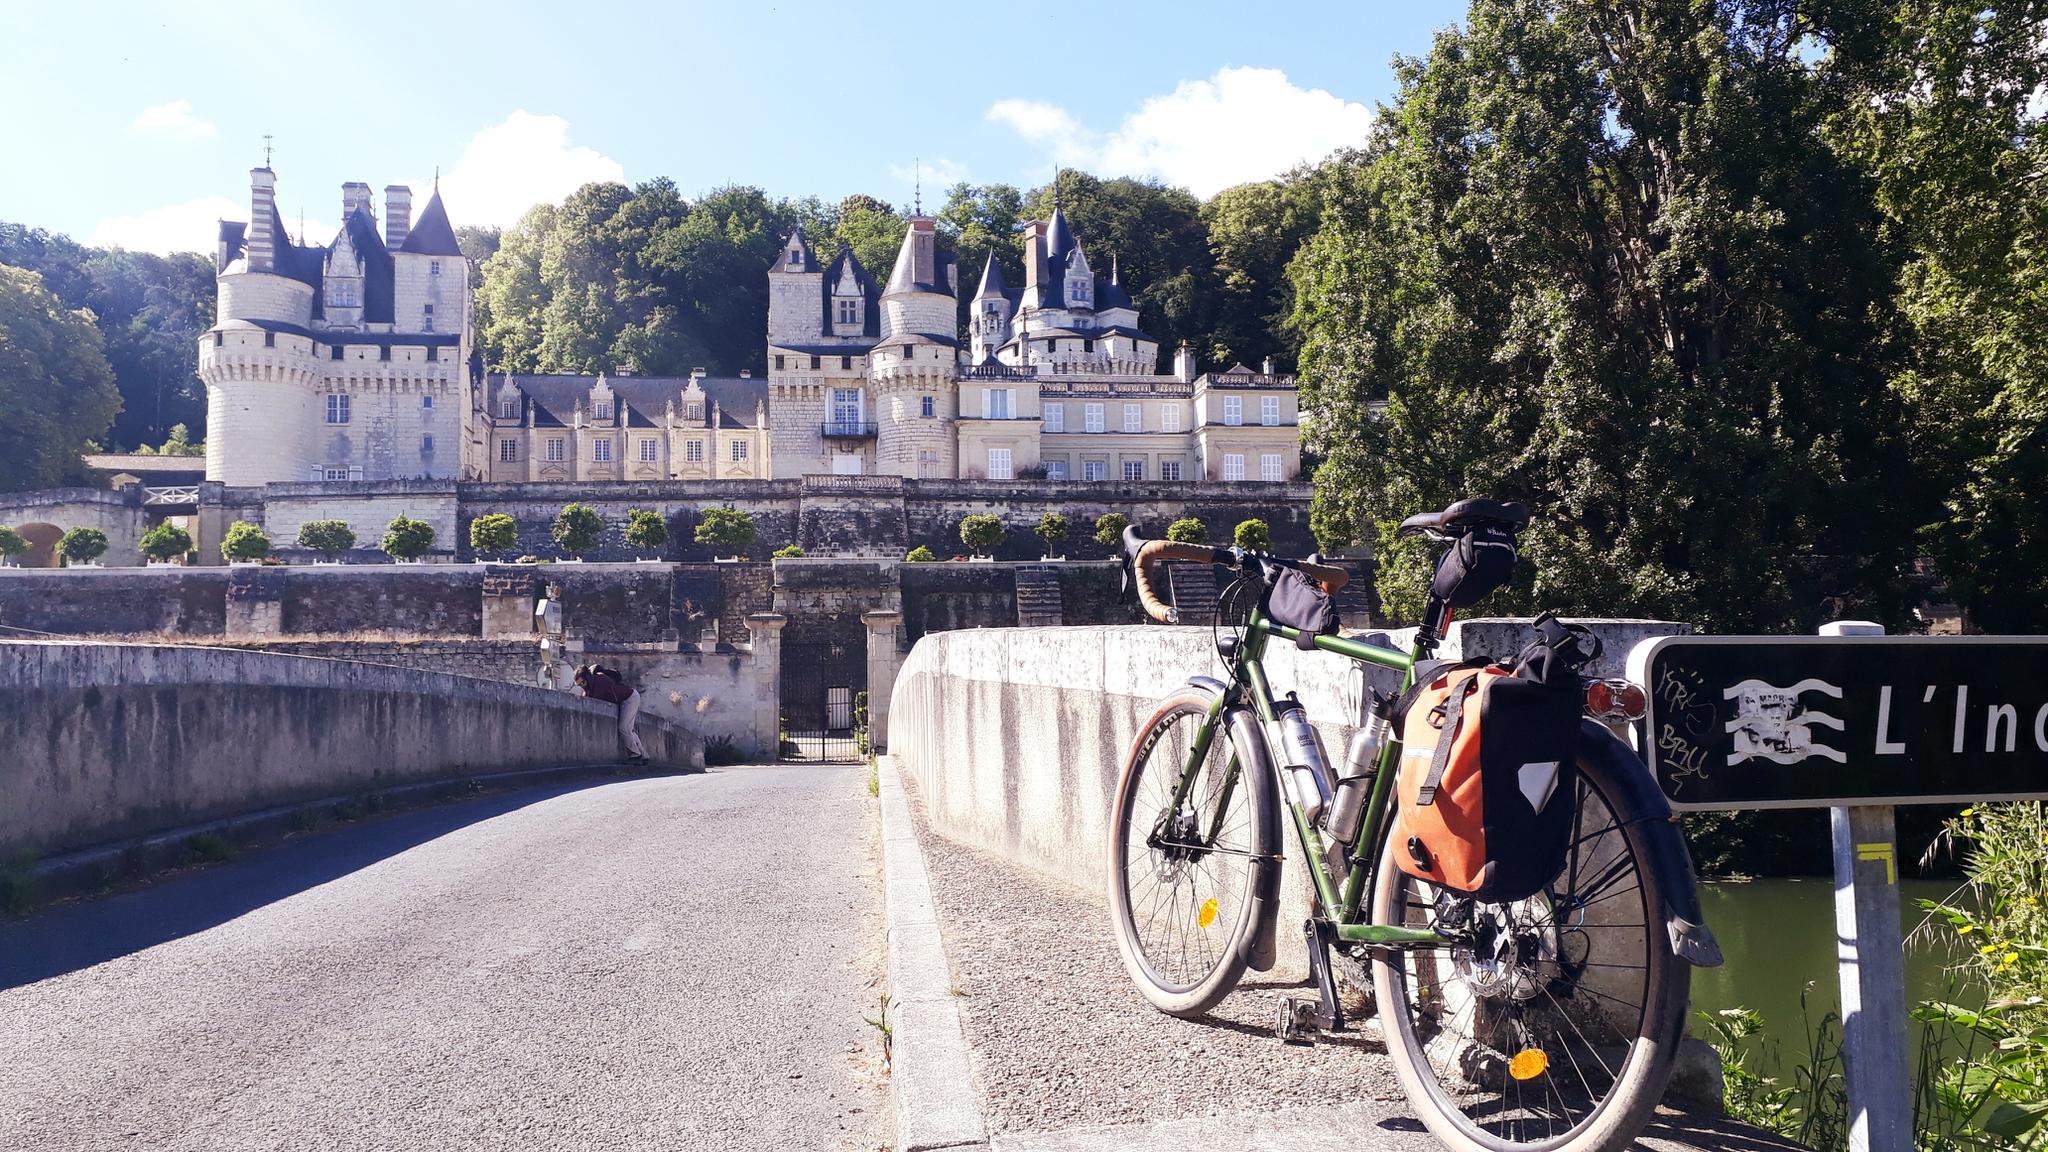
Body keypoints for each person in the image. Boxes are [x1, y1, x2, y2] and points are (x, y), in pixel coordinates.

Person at [574, 663, 648, 764]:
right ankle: (644, 755)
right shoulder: (591, 685)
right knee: (628, 729)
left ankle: (635, 754)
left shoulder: (600, 679)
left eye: (582, 683)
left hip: (630, 698)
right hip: (625, 700)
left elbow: (595, 698)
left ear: (587, 678)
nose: (582, 687)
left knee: (624, 728)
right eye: (579, 685)